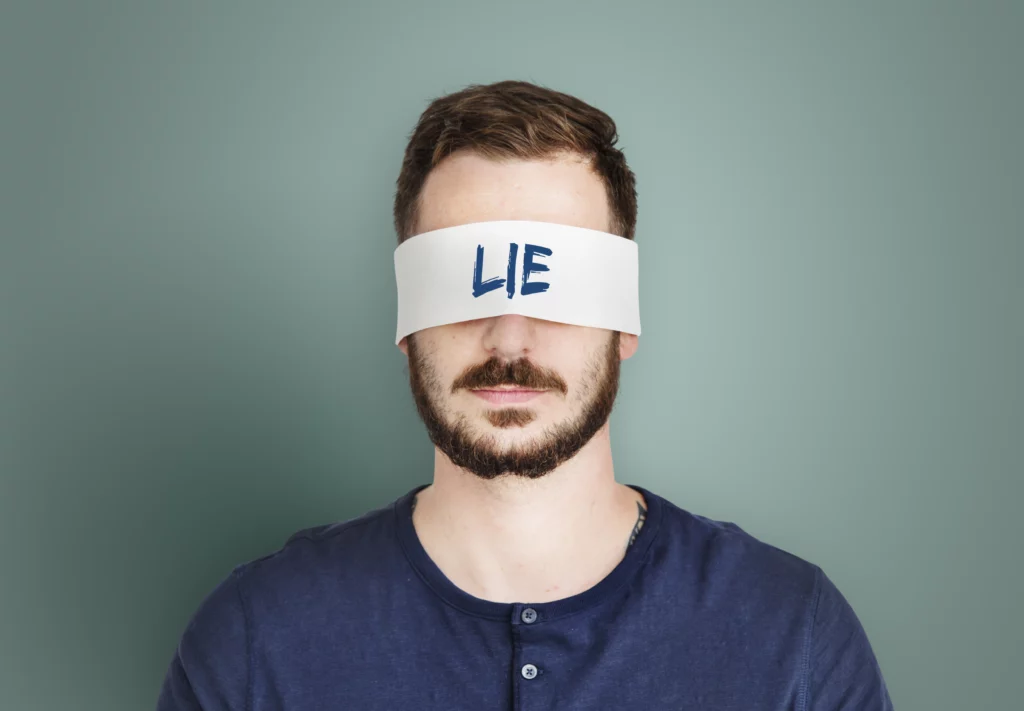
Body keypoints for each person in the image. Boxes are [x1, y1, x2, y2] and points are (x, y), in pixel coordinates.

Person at [156, 79, 893, 710]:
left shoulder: (793, 635)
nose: (510, 336)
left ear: (624, 321)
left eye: (558, 286)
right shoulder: (257, 643)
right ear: (407, 320)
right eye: (462, 283)